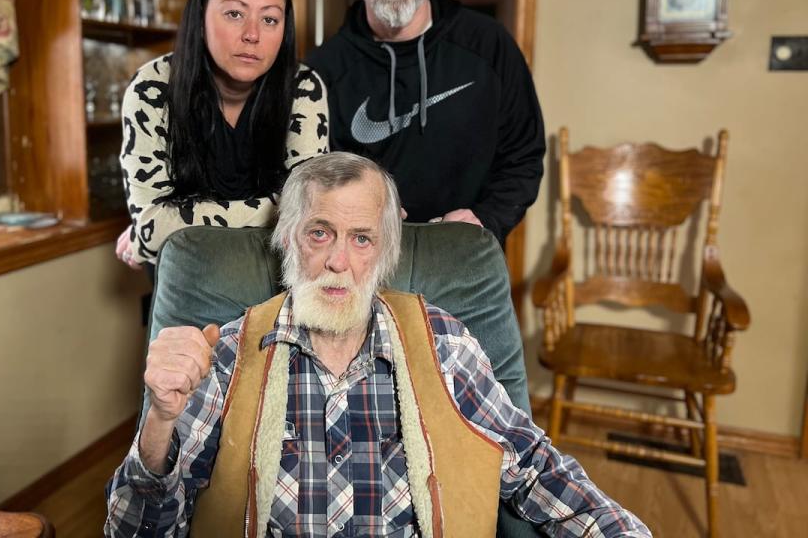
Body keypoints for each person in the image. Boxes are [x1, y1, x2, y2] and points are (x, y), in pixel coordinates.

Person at [105, 153, 651, 538]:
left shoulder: (444, 343)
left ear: (385, 250)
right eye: (320, 233)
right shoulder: (227, 352)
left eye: (361, 238)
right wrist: (159, 420)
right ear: (288, 238)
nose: (339, 261)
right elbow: (134, 531)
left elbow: (534, 467)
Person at [306, 0, 545, 245]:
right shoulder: (321, 71)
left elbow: (524, 155)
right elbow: (311, 180)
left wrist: (486, 218)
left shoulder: (489, 44)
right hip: (361, 266)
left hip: (466, 257)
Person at [116, 0, 329, 267]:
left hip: (276, 277)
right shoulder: (153, 88)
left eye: (269, 19)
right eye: (235, 14)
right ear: (201, 17)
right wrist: (280, 212)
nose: (252, 35)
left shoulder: (302, 86)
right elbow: (150, 227)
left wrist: (174, 221)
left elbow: (315, 210)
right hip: (188, 279)